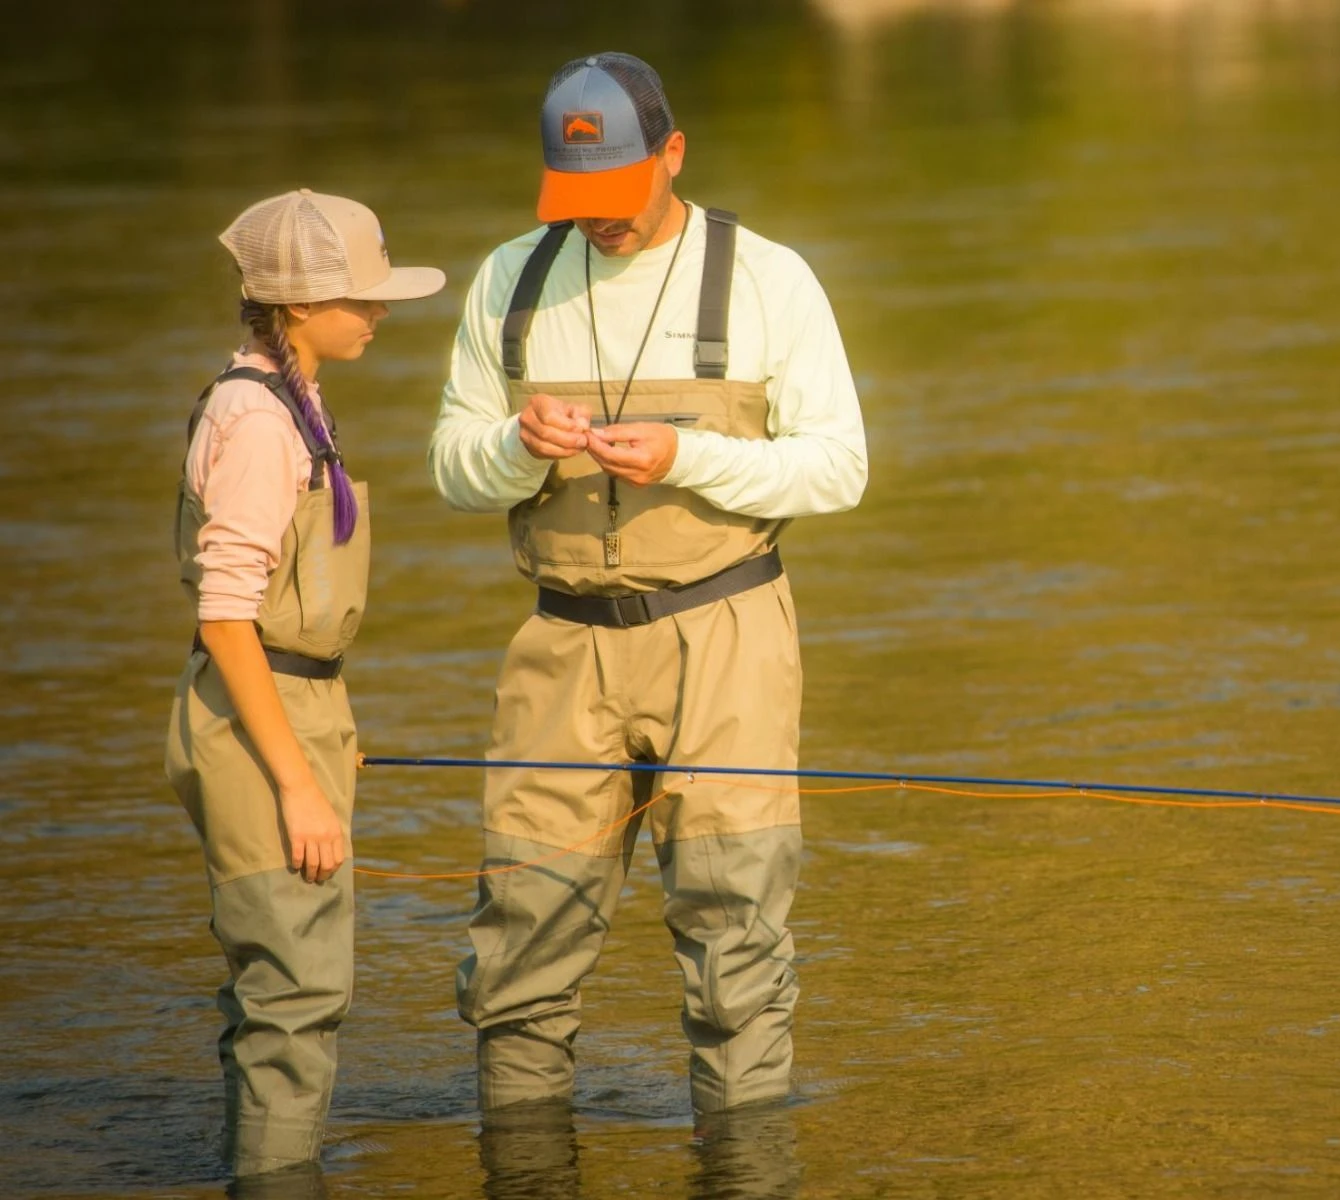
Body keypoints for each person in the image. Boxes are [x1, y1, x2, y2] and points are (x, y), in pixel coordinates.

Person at [429, 52, 868, 1116]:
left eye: (619, 191)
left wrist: (688, 457)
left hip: (725, 632)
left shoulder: (769, 279)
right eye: (576, 197)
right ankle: (521, 1165)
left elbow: (838, 469)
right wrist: (516, 448)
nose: (600, 218)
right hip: (559, 645)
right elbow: (450, 466)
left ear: (673, 154)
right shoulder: (508, 280)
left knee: (735, 942)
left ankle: (743, 1164)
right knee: (520, 939)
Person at [165, 189, 444, 1179]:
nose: (378, 311)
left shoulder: (290, 396)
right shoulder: (258, 421)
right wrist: (296, 781)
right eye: (360, 296)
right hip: (260, 712)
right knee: (295, 993)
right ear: (294, 306)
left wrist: (327, 736)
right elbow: (225, 616)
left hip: (290, 705)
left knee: (281, 987)